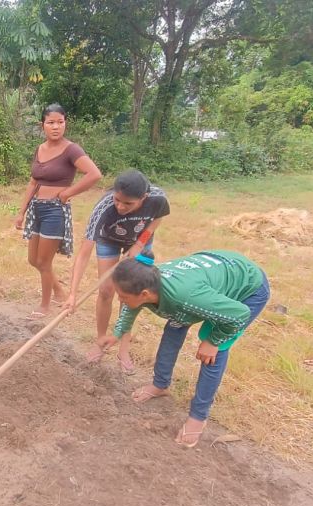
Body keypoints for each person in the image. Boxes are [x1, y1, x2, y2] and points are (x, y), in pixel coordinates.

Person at [101, 250, 270, 447]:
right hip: (212, 276)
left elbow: (239, 314)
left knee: (213, 352)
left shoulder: (185, 296)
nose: (120, 300)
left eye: (123, 296)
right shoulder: (146, 280)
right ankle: (160, 385)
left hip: (247, 288)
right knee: (175, 325)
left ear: (145, 294)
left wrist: (214, 341)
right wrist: (117, 333)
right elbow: (132, 307)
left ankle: (198, 416)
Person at [65, 170, 170, 372]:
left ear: (144, 198)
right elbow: (84, 252)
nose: (120, 207)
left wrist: (139, 243)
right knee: (106, 290)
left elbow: (158, 218)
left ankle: (123, 348)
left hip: (141, 240)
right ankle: (100, 341)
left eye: (128, 204)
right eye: (117, 200)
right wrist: (72, 294)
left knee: (130, 294)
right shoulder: (104, 206)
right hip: (109, 240)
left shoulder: (158, 198)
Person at [14, 103, 101, 319]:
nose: (56, 127)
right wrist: (21, 211)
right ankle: (58, 290)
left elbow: (94, 174)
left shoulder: (72, 149)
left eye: (60, 122)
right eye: (51, 122)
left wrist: (67, 193)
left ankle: (45, 306)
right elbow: (33, 182)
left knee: (44, 262)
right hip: (37, 209)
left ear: (65, 123)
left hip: (55, 211)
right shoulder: (40, 149)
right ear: (42, 124)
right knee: (33, 260)